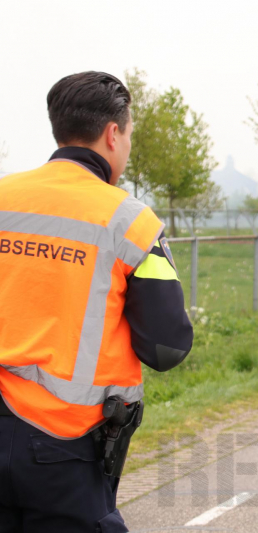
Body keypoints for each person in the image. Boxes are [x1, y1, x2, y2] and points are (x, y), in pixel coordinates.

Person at [0, 72, 193, 532]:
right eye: (128, 135)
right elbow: (167, 347)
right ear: (113, 133)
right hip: (63, 445)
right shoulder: (132, 222)